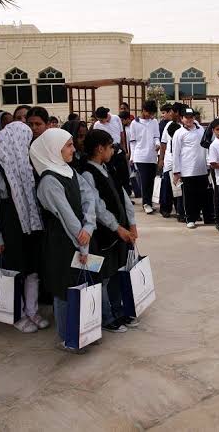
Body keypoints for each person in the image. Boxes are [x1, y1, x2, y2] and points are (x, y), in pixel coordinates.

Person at [30, 128, 97, 353]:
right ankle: (68, 338)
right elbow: (66, 217)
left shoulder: (69, 171)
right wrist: (83, 244)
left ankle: (84, 330)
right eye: (68, 145)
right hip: (63, 243)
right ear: (53, 149)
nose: (73, 149)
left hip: (82, 238)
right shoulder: (49, 180)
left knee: (82, 282)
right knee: (64, 287)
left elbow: (89, 197)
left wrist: (89, 226)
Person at [0, 121, 48, 333]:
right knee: (14, 272)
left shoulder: (26, 166)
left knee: (32, 271)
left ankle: (32, 311)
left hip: (30, 227)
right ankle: (17, 314)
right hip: (10, 229)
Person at [80, 129, 138, 332]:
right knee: (103, 276)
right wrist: (117, 227)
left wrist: (131, 223)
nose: (113, 150)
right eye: (110, 147)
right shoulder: (88, 173)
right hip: (103, 236)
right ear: (99, 148)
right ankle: (106, 317)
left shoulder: (107, 167)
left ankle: (118, 309)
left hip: (119, 231)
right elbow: (97, 207)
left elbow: (123, 196)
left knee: (117, 272)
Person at [172, 107, 212, 229]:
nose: (189, 119)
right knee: (189, 197)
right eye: (186, 117)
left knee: (203, 195)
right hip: (187, 170)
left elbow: (206, 148)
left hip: (202, 168)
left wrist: (208, 163)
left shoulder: (201, 130)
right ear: (182, 118)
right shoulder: (179, 133)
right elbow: (176, 153)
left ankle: (207, 217)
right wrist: (176, 171)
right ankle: (190, 218)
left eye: (191, 117)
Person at [127, 100, 161, 214]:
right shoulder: (134, 123)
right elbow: (132, 142)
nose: (151, 116)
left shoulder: (154, 122)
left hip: (152, 155)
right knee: (145, 180)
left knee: (151, 180)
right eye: (149, 113)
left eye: (152, 113)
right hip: (140, 156)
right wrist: (132, 156)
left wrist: (157, 144)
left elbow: (156, 136)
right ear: (143, 110)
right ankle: (146, 203)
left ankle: (149, 202)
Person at [157, 103, 185, 220]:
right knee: (167, 186)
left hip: (183, 161)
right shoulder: (169, 125)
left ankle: (180, 211)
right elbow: (163, 143)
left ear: (177, 113)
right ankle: (165, 209)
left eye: (172, 112)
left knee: (180, 187)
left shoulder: (186, 125)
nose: (170, 114)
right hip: (169, 161)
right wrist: (161, 159)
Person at [94, 107, 130, 195]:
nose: (100, 121)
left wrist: (124, 148)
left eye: (101, 120)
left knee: (124, 172)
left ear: (106, 116)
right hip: (107, 151)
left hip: (118, 149)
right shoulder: (97, 125)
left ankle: (126, 193)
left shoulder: (116, 118)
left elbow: (121, 133)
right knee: (111, 173)